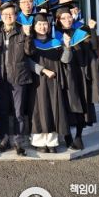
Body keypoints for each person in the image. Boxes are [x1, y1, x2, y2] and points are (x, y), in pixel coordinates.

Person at [54, 6, 99, 150]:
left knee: (83, 105)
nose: (67, 20)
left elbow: (94, 46)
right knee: (67, 105)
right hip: (65, 75)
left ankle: (78, 136)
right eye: (63, 18)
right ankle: (67, 136)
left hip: (81, 75)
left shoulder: (80, 32)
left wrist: (92, 30)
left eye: (69, 17)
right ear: (58, 20)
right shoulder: (55, 35)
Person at [26, 13, 71, 153]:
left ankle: (52, 142)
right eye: (39, 24)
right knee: (39, 110)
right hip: (37, 82)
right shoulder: (30, 43)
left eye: (45, 24)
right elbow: (27, 61)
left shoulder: (56, 42)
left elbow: (65, 60)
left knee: (53, 109)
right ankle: (39, 142)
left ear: (49, 26)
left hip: (54, 82)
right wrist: (43, 70)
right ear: (34, 27)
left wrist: (67, 46)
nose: (42, 27)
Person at [0, 2, 32, 156]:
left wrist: (28, 36)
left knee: (18, 113)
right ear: (1, 16)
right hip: (1, 79)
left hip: (19, 78)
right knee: (2, 111)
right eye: (5, 14)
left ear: (16, 16)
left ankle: (18, 142)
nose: (8, 16)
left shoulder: (23, 31)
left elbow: (30, 52)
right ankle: (4, 140)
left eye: (11, 14)